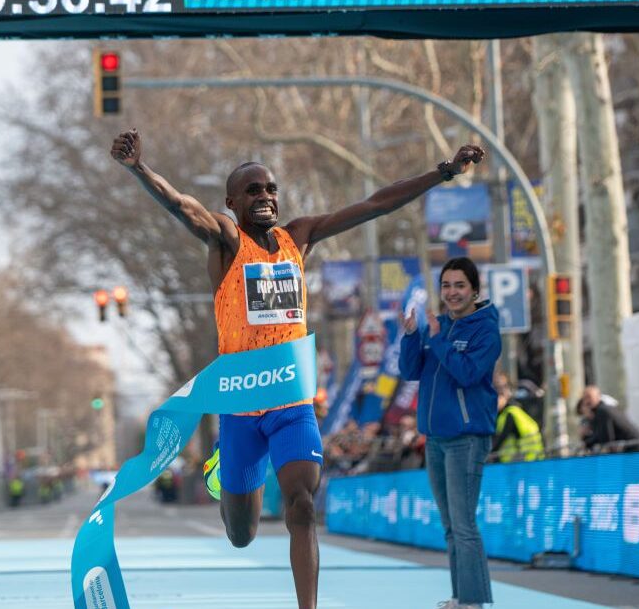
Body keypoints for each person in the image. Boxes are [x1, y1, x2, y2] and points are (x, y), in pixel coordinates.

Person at [110, 128, 484, 609]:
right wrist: (140, 168)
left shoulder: (298, 238)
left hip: (291, 402)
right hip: (242, 407)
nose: (265, 197)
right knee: (241, 534)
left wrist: (445, 171)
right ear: (232, 202)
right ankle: (222, 472)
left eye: (270, 189)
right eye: (253, 191)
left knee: (303, 507)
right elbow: (183, 207)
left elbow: (376, 204)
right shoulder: (227, 242)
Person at [399, 257, 501, 609]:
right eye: (446, 286)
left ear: (474, 290)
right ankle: (462, 596)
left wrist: (439, 342)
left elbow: (469, 374)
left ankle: (472, 600)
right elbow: (411, 370)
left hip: (467, 438)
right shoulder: (436, 325)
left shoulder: (485, 328)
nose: (452, 292)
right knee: (450, 526)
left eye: (460, 285)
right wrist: (413, 336)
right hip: (436, 439)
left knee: (464, 524)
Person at [577, 385, 639, 453]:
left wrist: (586, 442)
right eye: (585, 398)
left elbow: (606, 439)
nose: (587, 401)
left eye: (589, 397)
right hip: (634, 447)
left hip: (635, 448)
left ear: (598, 397)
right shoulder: (603, 410)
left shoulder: (603, 411)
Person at [492, 385, 544, 463]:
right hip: (532, 457)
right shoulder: (513, 411)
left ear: (503, 397)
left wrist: (489, 453)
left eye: (496, 400)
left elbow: (501, 438)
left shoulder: (510, 413)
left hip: (524, 458)